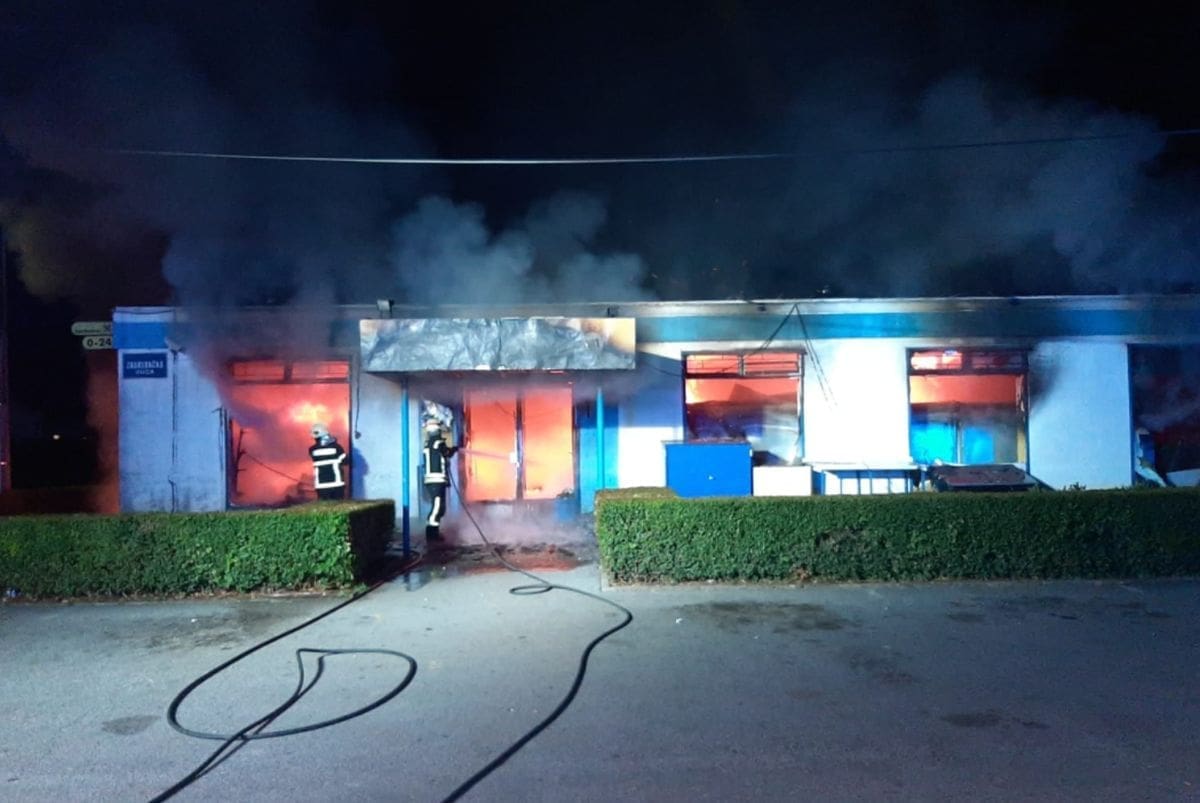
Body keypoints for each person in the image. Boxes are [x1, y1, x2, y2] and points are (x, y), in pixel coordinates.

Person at [422, 418, 458, 540]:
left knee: (441, 508)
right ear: (437, 429)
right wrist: (454, 449)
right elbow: (447, 453)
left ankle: (435, 532)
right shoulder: (438, 443)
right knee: (437, 507)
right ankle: (431, 534)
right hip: (436, 480)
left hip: (435, 481)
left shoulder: (428, 443)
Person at [309, 422, 347, 500]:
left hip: (321, 485)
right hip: (336, 484)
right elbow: (345, 461)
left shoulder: (312, 450)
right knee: (338, 505)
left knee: (324, 506)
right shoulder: (337, 447)